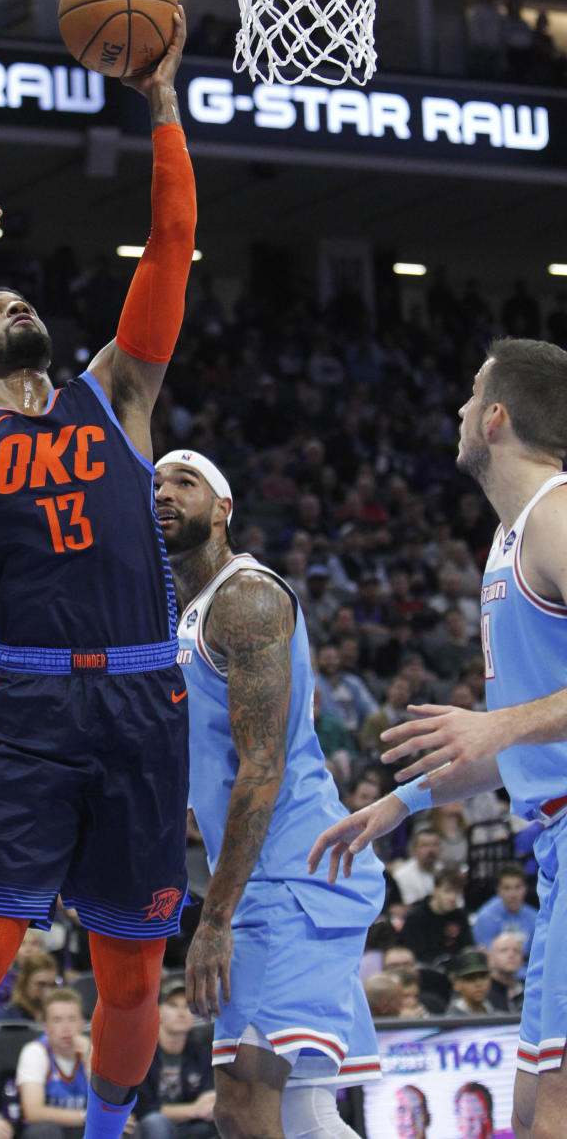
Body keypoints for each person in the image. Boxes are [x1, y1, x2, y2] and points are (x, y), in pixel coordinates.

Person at [0, 13, 195, 1139]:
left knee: (130, 973)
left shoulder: (115, 393)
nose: (18, 300)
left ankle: (116, 1133)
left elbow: (168, 248)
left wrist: (161, 105)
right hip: (30, 703)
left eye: (23, 299)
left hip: (140, 695)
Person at [308, 338, 567, 1139]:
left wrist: (502, 720)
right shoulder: (508, 537)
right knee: (532, 1110)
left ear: (495, 418)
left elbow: (513, 727)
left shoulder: (555, 513)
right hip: (552, 840)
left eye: (470, 393)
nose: (456, 408)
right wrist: (399, 802)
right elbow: (519, 743)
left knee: (548, 1110)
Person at [154, 451, 384, 1139]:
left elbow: (262, 764)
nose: (163, 492)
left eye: (185, 482)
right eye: (156, 483)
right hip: (282, 874)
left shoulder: (245, 597)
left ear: (224, 509)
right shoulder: (186, 612)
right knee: (300, 1111)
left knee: (242, 1106)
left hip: (290, 879)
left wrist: (215, 917)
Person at [133, 980, 215, 1139]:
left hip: (192, 1125)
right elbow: (143, 1108)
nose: (181, 1012)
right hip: (150, 1126)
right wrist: (193, 1110)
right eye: (173, 1005)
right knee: (155, 1122)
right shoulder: (140, 1054)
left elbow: (209, 1097)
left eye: (187, 1006)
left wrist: (200, 1108)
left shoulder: (202, 1053)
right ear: (157, 1011)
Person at [16, 989, 91, 1139]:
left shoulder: (91, 1051)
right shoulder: (35, 1052)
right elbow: (33, 1112)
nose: (66, 1029)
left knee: (125, 1129)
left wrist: (88, 1060)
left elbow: (106, 1103)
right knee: (45, 1131)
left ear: (82, 1024)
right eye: (57, 1020)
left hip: (82, 1128)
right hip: (53, 1130)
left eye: (72, 1019)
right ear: (45, 1026)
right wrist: (88, 1116)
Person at [399, 868, 473, 966]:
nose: (452, 897)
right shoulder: (416, 918)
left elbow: (467, 946)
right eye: (447, 891)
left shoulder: (460, 916)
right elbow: (418, 956)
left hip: (456, 970)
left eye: (457, 892)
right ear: (435, 890)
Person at [472, 864, 538, 954]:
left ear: (525, 889)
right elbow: (489, 956)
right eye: (507, 888)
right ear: (498, 891)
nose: (513, 894)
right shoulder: (485, 917)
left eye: (517, 887)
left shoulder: (535, 917)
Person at [390, 827, 443, 907]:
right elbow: (407, 907)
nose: (431, 850)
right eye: (425, 845)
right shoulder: (402, 875)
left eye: (435, 845)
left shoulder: (445, 871)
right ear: (414, 850)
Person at [486, 932, 525, 1015]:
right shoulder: (483, 992)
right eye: (504, 950)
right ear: (490, 959)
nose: (511, 955)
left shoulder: (529, 989)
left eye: (516, 951)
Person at [445, 950, 492, 1017]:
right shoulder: (451, 1021)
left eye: (483, 976)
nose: (478, 984)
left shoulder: (497, 1014)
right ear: (456, 984)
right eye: (470, 978)